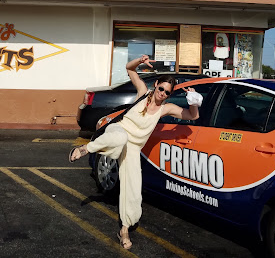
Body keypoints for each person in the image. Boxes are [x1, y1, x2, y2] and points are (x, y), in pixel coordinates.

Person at [69, 54, 203, 250]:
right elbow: (130, 69)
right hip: (119, 131)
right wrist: (139, 62)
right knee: (119, 137)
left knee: (132, 191)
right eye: (161, 89)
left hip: (133, 148)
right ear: (156, 85)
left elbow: (192, 116)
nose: (162, 93)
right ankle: (84, 149)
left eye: (167, 92)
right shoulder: (142, 92)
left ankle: (124, 229)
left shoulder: (165, 109)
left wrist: (193, 100)